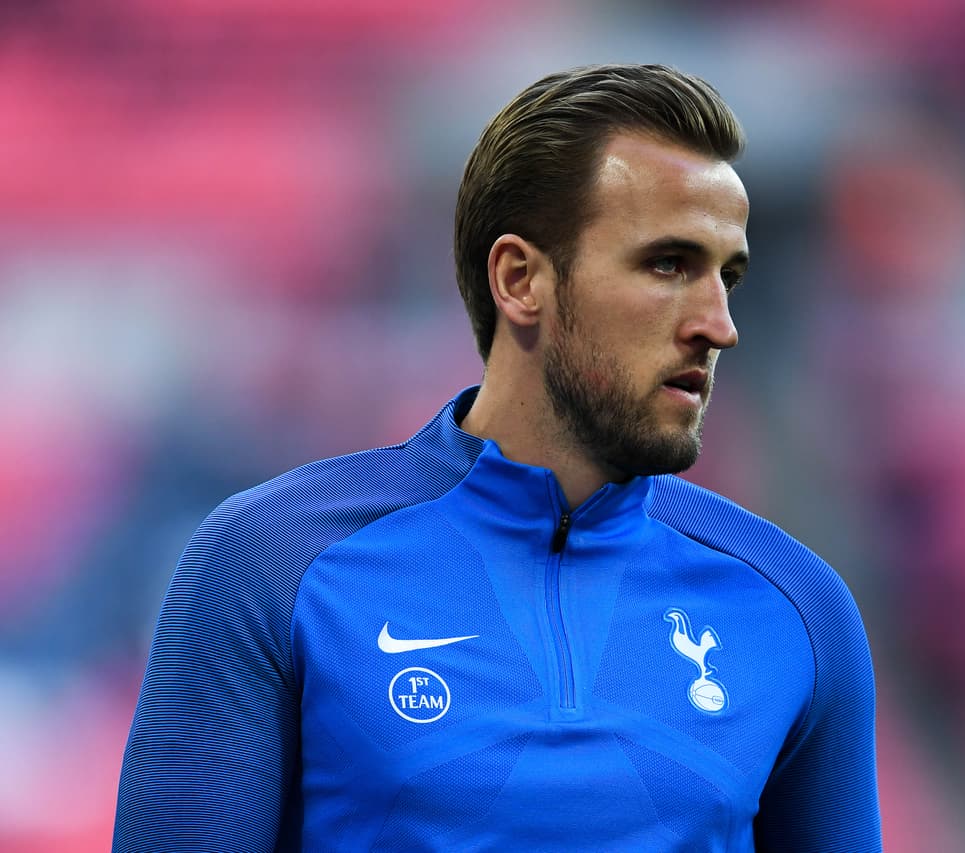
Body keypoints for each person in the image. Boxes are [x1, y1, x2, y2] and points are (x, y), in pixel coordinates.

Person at [114, 63, 881, 852]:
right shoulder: (271, 564)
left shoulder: (799, 607)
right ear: (520, 279)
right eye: (668, 265)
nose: (719, 325)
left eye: (728, 276)